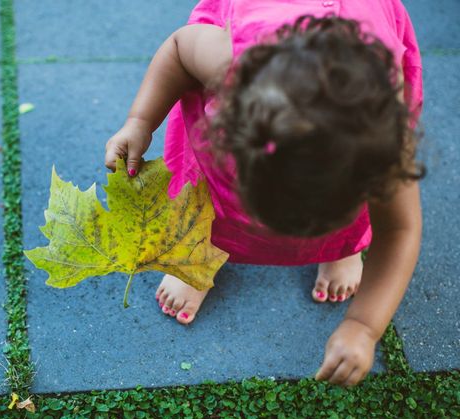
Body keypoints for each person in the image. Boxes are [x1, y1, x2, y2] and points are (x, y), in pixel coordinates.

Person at [104, 0, 424, 387]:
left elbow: (399, 231)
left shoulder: (381, 145)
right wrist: (140, 122)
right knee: (206, 195)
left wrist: (363, 325)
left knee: (349, 225)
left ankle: (344, 246)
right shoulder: (231, 63)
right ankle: (201, 256)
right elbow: (178, 50)